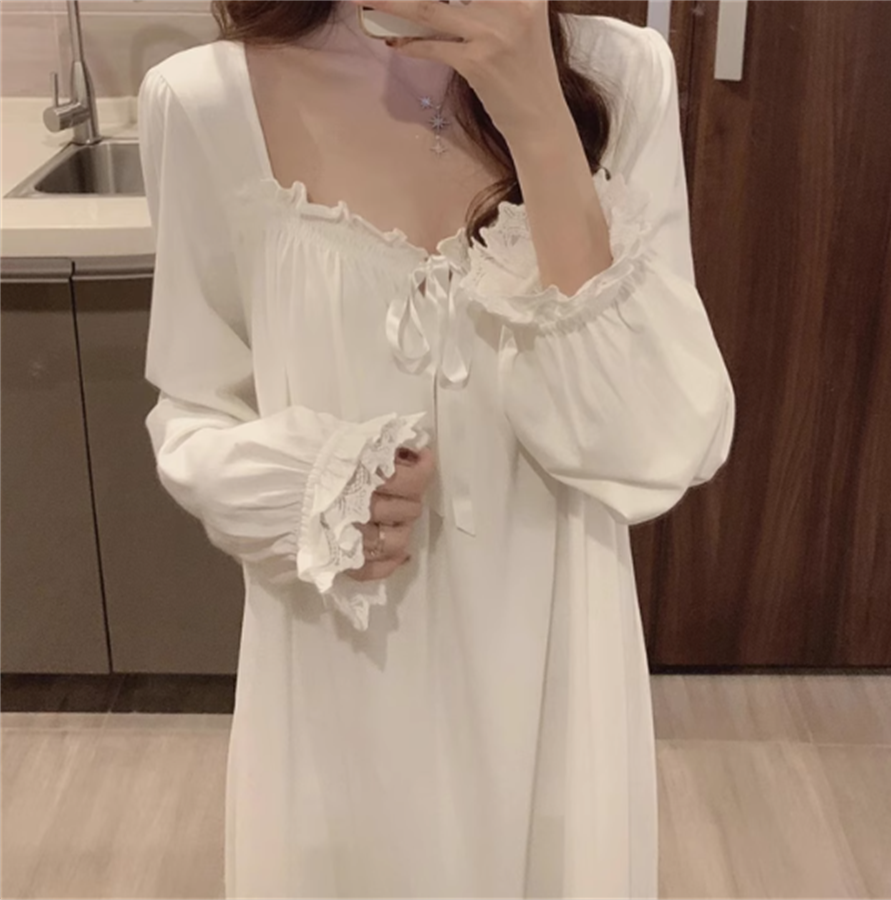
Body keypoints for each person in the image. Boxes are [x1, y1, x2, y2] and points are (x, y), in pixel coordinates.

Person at [137, 0, 735, 897]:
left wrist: (537, 115)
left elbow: (657, 440)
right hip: (345, 689)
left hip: (557, 691)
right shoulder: (205, 101)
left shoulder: (624, 77)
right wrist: (306, 486)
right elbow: (193, 405)